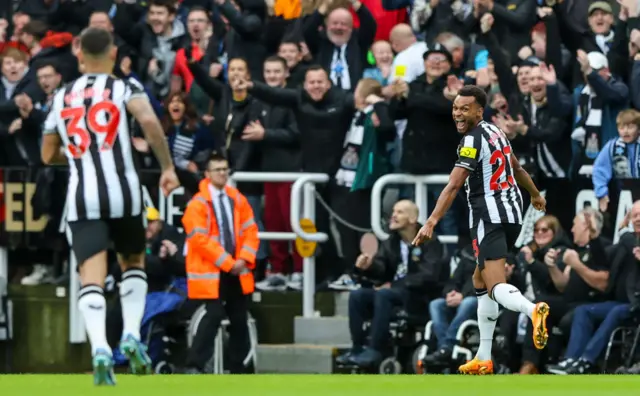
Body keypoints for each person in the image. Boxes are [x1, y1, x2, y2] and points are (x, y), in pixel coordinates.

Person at [40, 27, 179, 386]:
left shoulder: (61, 95)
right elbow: (149, 120)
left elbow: (46, 153)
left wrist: (76, 155)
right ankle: (131, 333)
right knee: (132, 263)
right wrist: (166, 167)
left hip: (82, 197)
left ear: (78, 54)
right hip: (125, 193)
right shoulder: (125, 88)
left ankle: (100, 346)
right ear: (114, 54)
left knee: (92, 275)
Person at [412, 85, 549, 375]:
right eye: (455, 108)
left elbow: (453, 185)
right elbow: (517, 168)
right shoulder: (496, 132)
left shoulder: (471, 141)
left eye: (465, 109)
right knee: (479, 281)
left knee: (495, 283)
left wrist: (431, 222)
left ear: (479, 110)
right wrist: (535, 195)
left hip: (489, 217)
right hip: (512, 215)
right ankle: (484, 356)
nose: (458, 114)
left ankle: (531, 309)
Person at [182, 153, 259, 374]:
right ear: (207, 174)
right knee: (213, 316)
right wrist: (228, 262)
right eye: (218, 169)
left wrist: (243, 258)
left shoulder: (237, 199)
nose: (223, 173)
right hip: (212, 271)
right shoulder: (197, 204)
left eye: (225, 169)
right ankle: (194, 364)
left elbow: (250, 231)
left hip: (236, 269)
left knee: (239, 319)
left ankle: (240, 367)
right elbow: (200, 240)